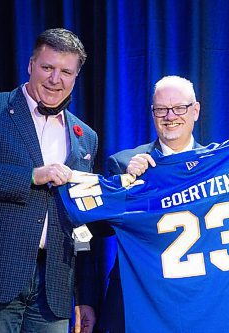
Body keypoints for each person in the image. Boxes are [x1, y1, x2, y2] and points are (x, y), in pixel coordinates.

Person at [0, 28, 97, 333]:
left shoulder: (85, 135)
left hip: (54, 285)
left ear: (75, 77)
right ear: (30, 65)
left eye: (66, 71)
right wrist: (29, 176)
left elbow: (81, 222)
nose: (55, 79)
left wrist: (84, 295)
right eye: (47, 67)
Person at [97, 75, 203, 332]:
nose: (170, 116)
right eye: (161, 109)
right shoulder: (124, 163)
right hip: (137, 296)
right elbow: (98, 230)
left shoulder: (215, 163)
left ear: (195, 111)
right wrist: (125, 185)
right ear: (152, 113)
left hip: (198, 300)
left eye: (179, 108)